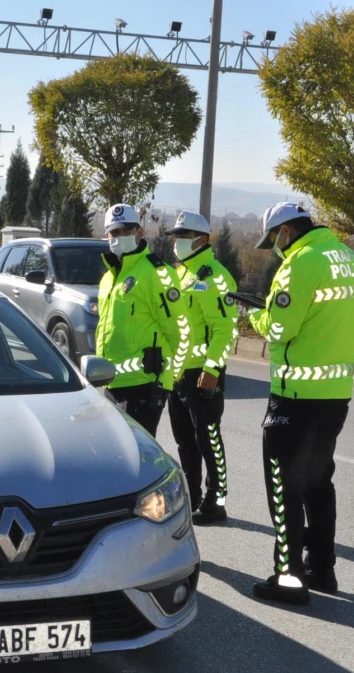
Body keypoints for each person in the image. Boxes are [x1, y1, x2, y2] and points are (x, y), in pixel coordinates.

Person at [246, 202, 354, 605]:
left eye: (275, 239)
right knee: (318, 484)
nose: (276, 248)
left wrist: (255, 318)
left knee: (284, 489)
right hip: (335, 395)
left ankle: (289, 579)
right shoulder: (350, 259)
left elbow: (280, 328)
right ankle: (321, 569)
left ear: (285, 231)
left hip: (294, 397)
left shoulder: (299, 263)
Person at [165, 211, 240, 524]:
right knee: (185, 440)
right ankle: (193, 497)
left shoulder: (216, 277)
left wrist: (212, 369)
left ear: (203, 239)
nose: (178, 242)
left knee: (208, 438)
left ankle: (216, 499)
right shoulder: (181, 274)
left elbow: (226, 328)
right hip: (178, 373)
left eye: (184, 236)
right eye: (176, 236)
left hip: (203, 374)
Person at [95, 203, 183, 435]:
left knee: (139, 457)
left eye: (126, 231)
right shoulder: (108, 278)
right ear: (106, 235)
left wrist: (169, 377)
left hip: (143, 385)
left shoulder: (156, 273)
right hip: (112, 382)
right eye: (114, 232)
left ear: (139, 232)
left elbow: (178, 330)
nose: (119, 237)